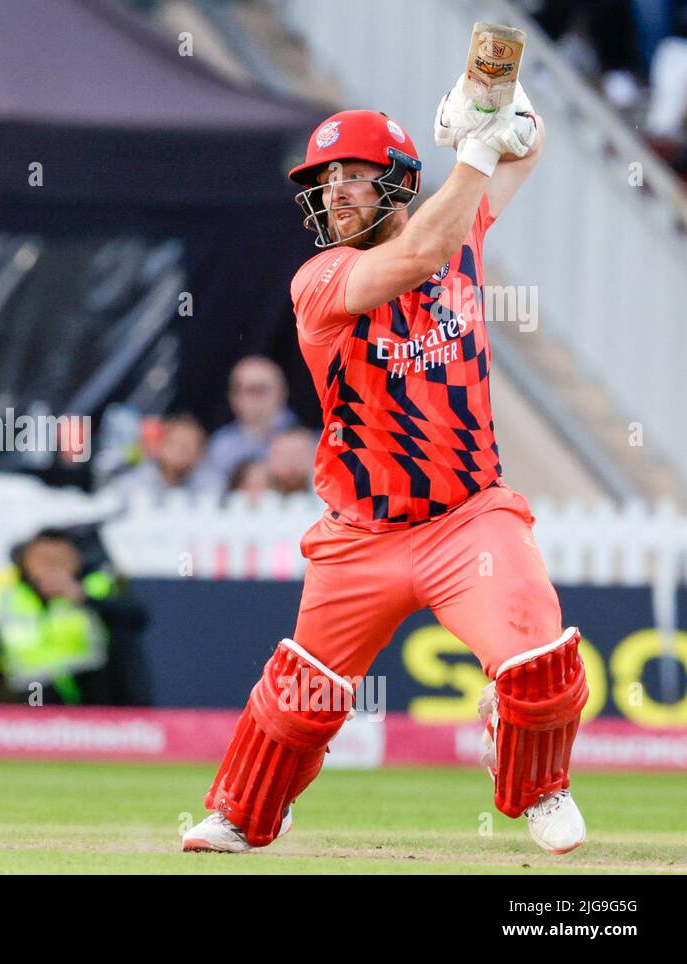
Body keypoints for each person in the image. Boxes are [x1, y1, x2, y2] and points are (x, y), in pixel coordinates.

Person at [184, 86, 590, 856]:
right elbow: (421, 252)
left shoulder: (456, 224)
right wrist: (473, 147)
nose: (333, 194)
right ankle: (245, 813)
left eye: (353, 176)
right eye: (323, 182)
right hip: (361, 537)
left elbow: (528, 148)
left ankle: (537, 783)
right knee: (298, 703)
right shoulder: (321, 282)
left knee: (537, 663)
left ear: (399, 182)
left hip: (469, 517)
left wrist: (501, 108)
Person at [0, 528, 148, 706]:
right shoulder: (5, 600)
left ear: (76, 559)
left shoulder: (97, 588)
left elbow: (136, 620)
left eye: (60, 559)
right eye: (43, 559)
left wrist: (83, 598)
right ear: (25, 561)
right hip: (29, 701)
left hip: (92, 701)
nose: (51, 566)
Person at [198, 357, 297, 483]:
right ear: (233, 398)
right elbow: (209, 492)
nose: (254, 398)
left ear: (282, 392)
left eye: (260, 389)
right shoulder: (221, 446)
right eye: (249, 390)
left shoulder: (309, 441)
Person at [102, 413, 218, 501]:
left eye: (186, 446)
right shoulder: (135, 481)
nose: (179, 451)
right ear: (160, 445)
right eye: (173, 442)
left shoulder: (211, 485)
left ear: (200, 454)